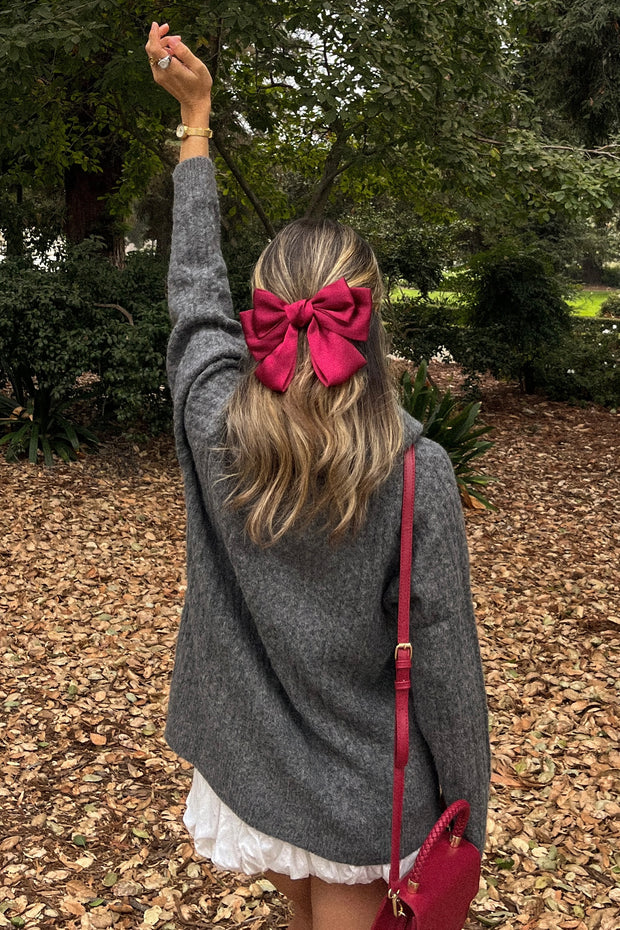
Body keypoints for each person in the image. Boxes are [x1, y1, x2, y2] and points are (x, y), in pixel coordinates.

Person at [145, 21, 491, 930]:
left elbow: (192, 303)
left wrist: (197, 124)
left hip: (256, 771)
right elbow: (449, 673)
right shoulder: (417, 471)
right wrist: (470, 818)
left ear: (262, 317)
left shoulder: (214, 422)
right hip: (359, 799)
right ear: (367, 325)